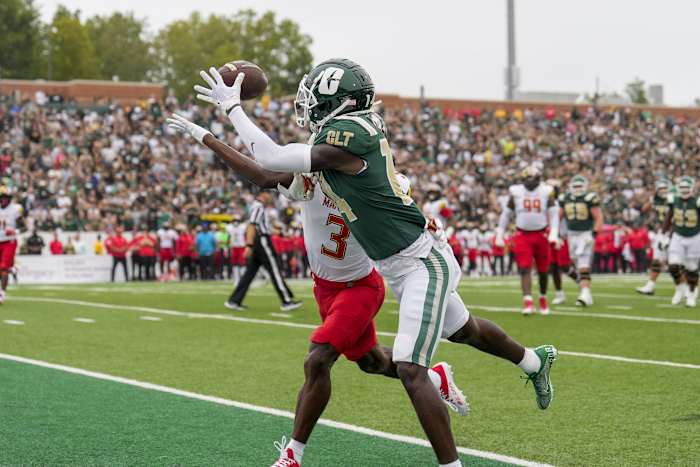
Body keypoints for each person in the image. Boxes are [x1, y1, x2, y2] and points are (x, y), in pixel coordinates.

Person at [189, 59, 557, 467]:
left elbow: (274, 155)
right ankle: (533, 360)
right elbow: (267, 172)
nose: (308, 106)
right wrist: (208, 135)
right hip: (396, 266)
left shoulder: (354, 134)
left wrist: (232, 109)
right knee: (464, 330)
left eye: (316, 98)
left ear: (337, 102)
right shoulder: (340, 143)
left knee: (408, 368)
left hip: (421, 262)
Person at [166, 116, 468, 467]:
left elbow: (400, 209)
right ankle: (436, 377)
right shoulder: (312, 175)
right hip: (325, 287)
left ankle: (293, 454)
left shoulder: (381, 182)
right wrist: (205, 136)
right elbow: (262, 174)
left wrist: (427, 224)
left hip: (360, 287)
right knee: (372, 362)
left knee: (317, 359)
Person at [496, 166, 559, 315]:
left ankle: (542, 297)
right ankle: (528, 301)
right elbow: (506, 214)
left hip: (542, 234)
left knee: (544, 270)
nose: (530, 182)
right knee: (524, 268)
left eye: (533, 179)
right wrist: (500, 232)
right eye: (527, 179)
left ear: (538, 179)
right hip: (522, 234)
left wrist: (554, 232)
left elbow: (554, 213)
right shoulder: (516, 192)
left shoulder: (546, 191)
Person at [223, 191, 301, 311]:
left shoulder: (257, 207)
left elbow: (263, 227)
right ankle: (286, 301)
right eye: (269, 194)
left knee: (250, 273)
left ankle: (234, 300)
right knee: (274, 270)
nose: (270, 197)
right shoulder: (258, 206)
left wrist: (280, 233)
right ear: (263, 194)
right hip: (262, 241)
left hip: (258, 241)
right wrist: (248, 245)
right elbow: (252, 225)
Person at [559, 175, 603, 306]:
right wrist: (556, 233)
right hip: (570, 235)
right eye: (575, 186)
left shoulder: (590, 198)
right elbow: (558, 216)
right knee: (572, 263)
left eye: (580, 186)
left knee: (583, 264)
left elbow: (599, 216)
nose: (578, 189)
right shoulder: (564, 198)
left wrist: (594, 233)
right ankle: (585, 291)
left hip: (585, 234)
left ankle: (585, 293)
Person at [662, 176, 700, 307]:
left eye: (686, 188)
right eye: (682, 188)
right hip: (678, 236)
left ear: (692, 188)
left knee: (691, 268)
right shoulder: (674, 200)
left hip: (694, 236)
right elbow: (669, 217)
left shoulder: (697, 202)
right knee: (673, 265)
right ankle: (680, 288)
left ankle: (691, 293)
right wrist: (664, 235)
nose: (684, 190)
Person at [637, 180, 672, 295]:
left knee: (677, 262)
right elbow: (643, 209)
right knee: (656, 260)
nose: (663, 191)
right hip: (661, 232)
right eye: (661, 189)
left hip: (674, 233)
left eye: (665, 189)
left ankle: (688, 288)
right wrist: (651, 199)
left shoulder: (673, 199)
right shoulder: (655, 200)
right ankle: (650, 286)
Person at [0, 186, 23, 303]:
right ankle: (13, 269)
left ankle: (2, 293)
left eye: (5, 198)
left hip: (10, 241)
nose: (3, 200)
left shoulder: (15, 209)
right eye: (1, 198)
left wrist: (15, 231)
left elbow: (23, 226)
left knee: (3, 268)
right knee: (2, 269)